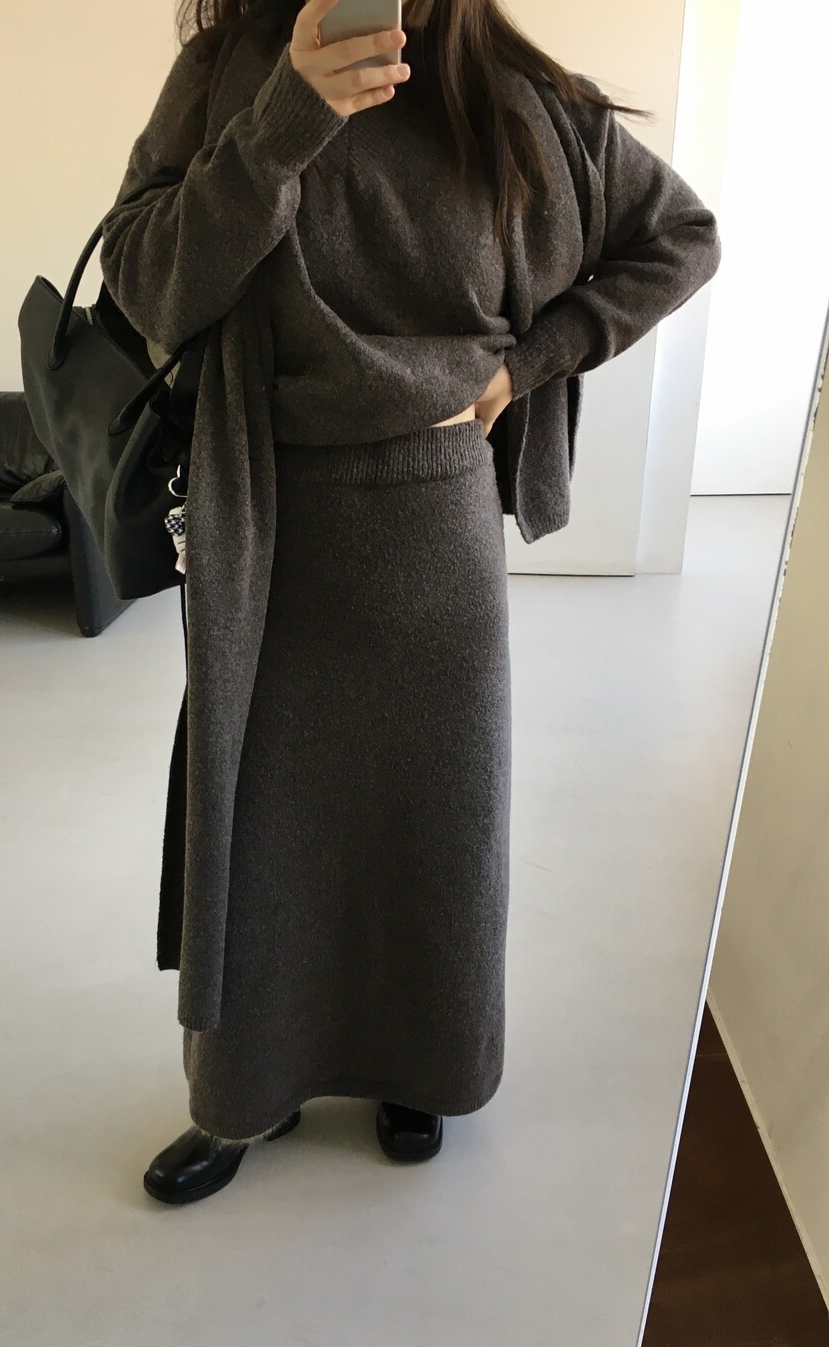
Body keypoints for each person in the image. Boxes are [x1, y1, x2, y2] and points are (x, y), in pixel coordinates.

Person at [99, 0, 720, 1204]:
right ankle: (245, 1095)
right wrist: (288, 116)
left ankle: (414, 1066)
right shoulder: (233, 67)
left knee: (433, 823)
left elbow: (680, 236)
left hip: (435, 517)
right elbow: (147, 285)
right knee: (263, 828)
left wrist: (527, 365)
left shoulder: (518, 96)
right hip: (265, 510)